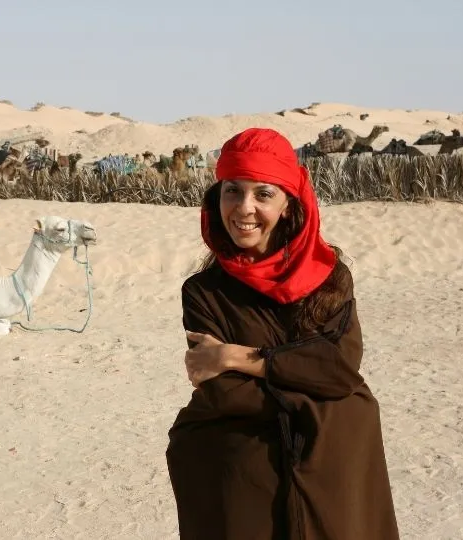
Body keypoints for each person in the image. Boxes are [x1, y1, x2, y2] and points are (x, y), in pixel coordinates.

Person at [166, 127, 399, 539]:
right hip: (245, 468)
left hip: (333, 463)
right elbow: (226, 393)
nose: (244, 208)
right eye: (232, 191)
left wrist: (239, 357)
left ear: (290, 204)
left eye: (263, 194)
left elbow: (340, 367)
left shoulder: (330, 279)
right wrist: (321, 393)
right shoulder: (204, 292)